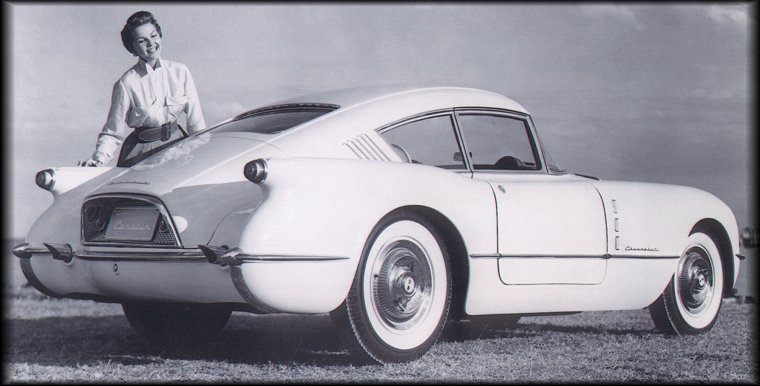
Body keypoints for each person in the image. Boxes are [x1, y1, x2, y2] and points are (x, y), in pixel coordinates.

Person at [80, 11, 206, 167]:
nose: (151, 44)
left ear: (160, 35)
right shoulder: (126, 83)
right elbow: (113, 132)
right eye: (142, 41)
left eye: (153, 36)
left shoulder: (180, 71)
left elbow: (196, 122)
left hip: (179, 147)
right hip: (140, 154)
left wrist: (202, 152)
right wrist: (98, 160)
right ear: (132, 48)